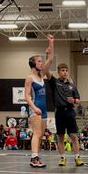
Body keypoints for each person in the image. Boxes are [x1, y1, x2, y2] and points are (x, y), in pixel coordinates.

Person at [24, 34, 54, 167]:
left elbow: (51, 59)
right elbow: (26, 96)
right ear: (33, 63)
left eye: (42, 61)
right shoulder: (29, 78)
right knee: (36, 133)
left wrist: (51, 43)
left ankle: (36, 156)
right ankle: (33, 158)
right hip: (35, 109)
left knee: (41, 134)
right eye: (39, 61)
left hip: (44, 110)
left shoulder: (41, 76)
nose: (41, 63)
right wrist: (34, 108)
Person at [46, 63, 84, 166]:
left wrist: (74, 100)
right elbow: (46, 70)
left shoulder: (72, 86)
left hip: (70, 112)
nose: (65, 72)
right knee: (61, 136)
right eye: (63, 70)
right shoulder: (55, 83)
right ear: (58, 72)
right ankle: (62, 158)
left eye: (66, 70)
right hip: (59, 112)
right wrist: (49, 57)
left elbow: (79, 101)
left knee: (74, 136)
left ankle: (77, 158)